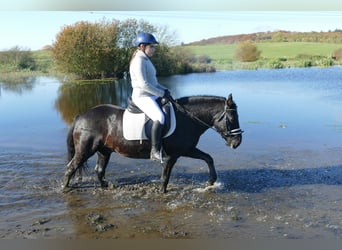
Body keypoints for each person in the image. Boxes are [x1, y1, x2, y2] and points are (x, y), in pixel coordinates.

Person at [129, 32, 172, 161]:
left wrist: (165, 90)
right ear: (142, 46)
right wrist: (161, 94)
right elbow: (143, 84)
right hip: (142, 96)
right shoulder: (139, 60)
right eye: (151, 47)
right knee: (159, 117)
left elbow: (154, 83)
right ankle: (154, 150)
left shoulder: (145, 59)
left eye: (153, 47)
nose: (153, 49)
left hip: (150, 95)